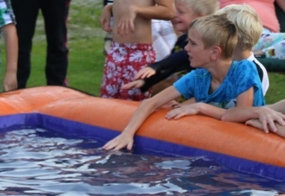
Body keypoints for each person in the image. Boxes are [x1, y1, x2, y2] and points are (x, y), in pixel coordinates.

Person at [102, 15, 265, 152]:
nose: (186, 48)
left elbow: (241, 115)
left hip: (250, 145)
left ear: (214, 52)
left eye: (193, 43)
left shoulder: (244, 69)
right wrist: (127, 133)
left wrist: (200, 107)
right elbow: (150, 103)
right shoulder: (198, 77)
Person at [125, 0, 218, 95]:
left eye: (181, 12)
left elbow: (182, 57)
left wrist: (157, 66)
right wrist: (146, 81)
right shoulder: (182, 40)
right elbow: (171, 68)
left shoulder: (207, 43)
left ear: (200, 18)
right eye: (175, 10)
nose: (174, 14)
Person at [216, 4, 270, 94]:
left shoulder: (254, 71)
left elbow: (245, 103)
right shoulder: (220, 62)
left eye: (219, 32)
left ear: (237, 39)